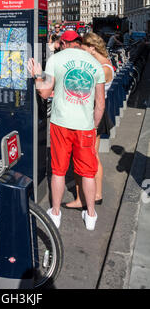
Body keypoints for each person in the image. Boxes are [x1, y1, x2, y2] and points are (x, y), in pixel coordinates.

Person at [27, 30, 105, 231]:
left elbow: (44, 93)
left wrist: (37, 75)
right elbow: (100, 104)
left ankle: (55, 213)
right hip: (85, 126)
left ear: (63, 42)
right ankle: (91, 215)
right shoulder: (95, 63)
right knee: (88, 172)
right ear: (79, 42)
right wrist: (93, 126)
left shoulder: (56, 59)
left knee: (59, 171)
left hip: (61, 124)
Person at [63, 32, 114, 210]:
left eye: (84, 49)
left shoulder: (103, 68)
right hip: (95, 112)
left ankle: (85, 197)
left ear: (92, 48)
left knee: (85, 157)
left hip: (93, 114)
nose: (82, 52)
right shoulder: (102, 64)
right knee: (93, 156)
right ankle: (95, 194)